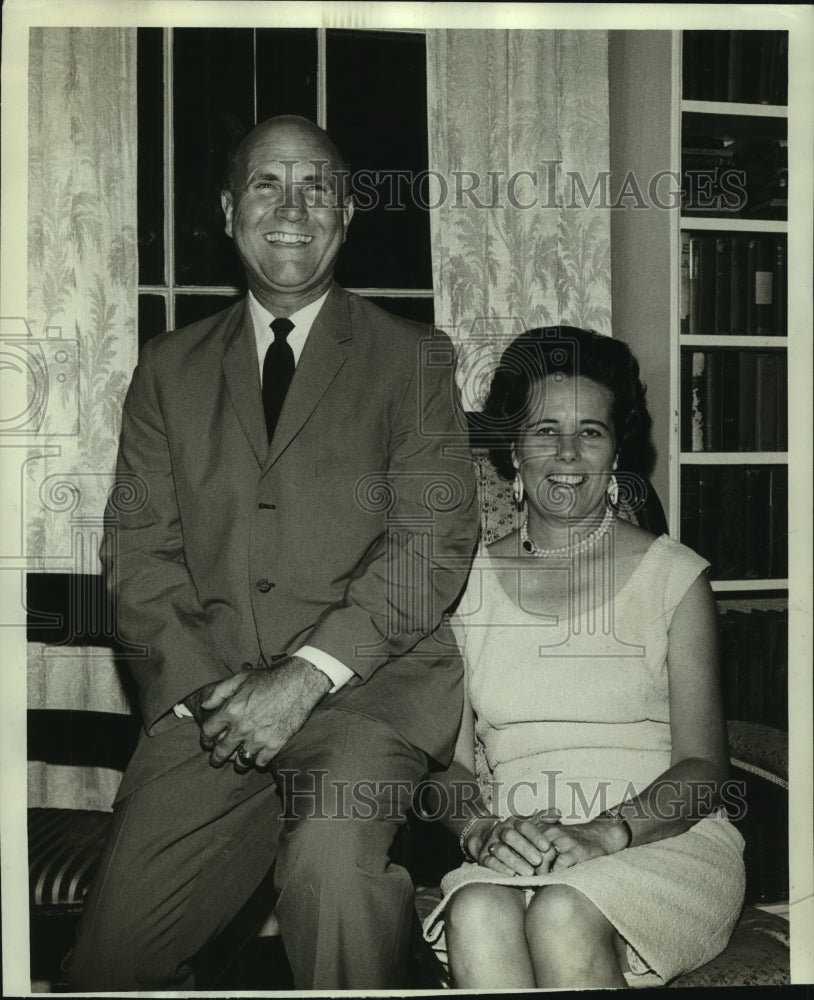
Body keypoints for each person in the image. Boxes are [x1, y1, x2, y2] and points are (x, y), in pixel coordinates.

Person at [67, 115, 479, 991]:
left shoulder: (415, 360)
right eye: (266, 183)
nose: (292, 207)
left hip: (364, 697)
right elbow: (138, 550)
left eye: (316, 185)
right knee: (108, 963)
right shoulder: (167, 369)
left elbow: (430, 546)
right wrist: (196, 688)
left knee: (332, 878)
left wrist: (302, 678)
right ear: (227, 209)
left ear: (348, 212)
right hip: (208, 701)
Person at [421, 326, 745, 989]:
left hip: (659, 840)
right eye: (544, 431)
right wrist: (482, 830)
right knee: (478, 909)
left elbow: (705, 765)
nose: (567, 454)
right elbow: (444, 769)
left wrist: (608, 832)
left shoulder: (674, 578)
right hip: (518, 843)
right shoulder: (463, 585)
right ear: (513, 446)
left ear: (616, 447)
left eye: (591, 431)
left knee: (564, 912)